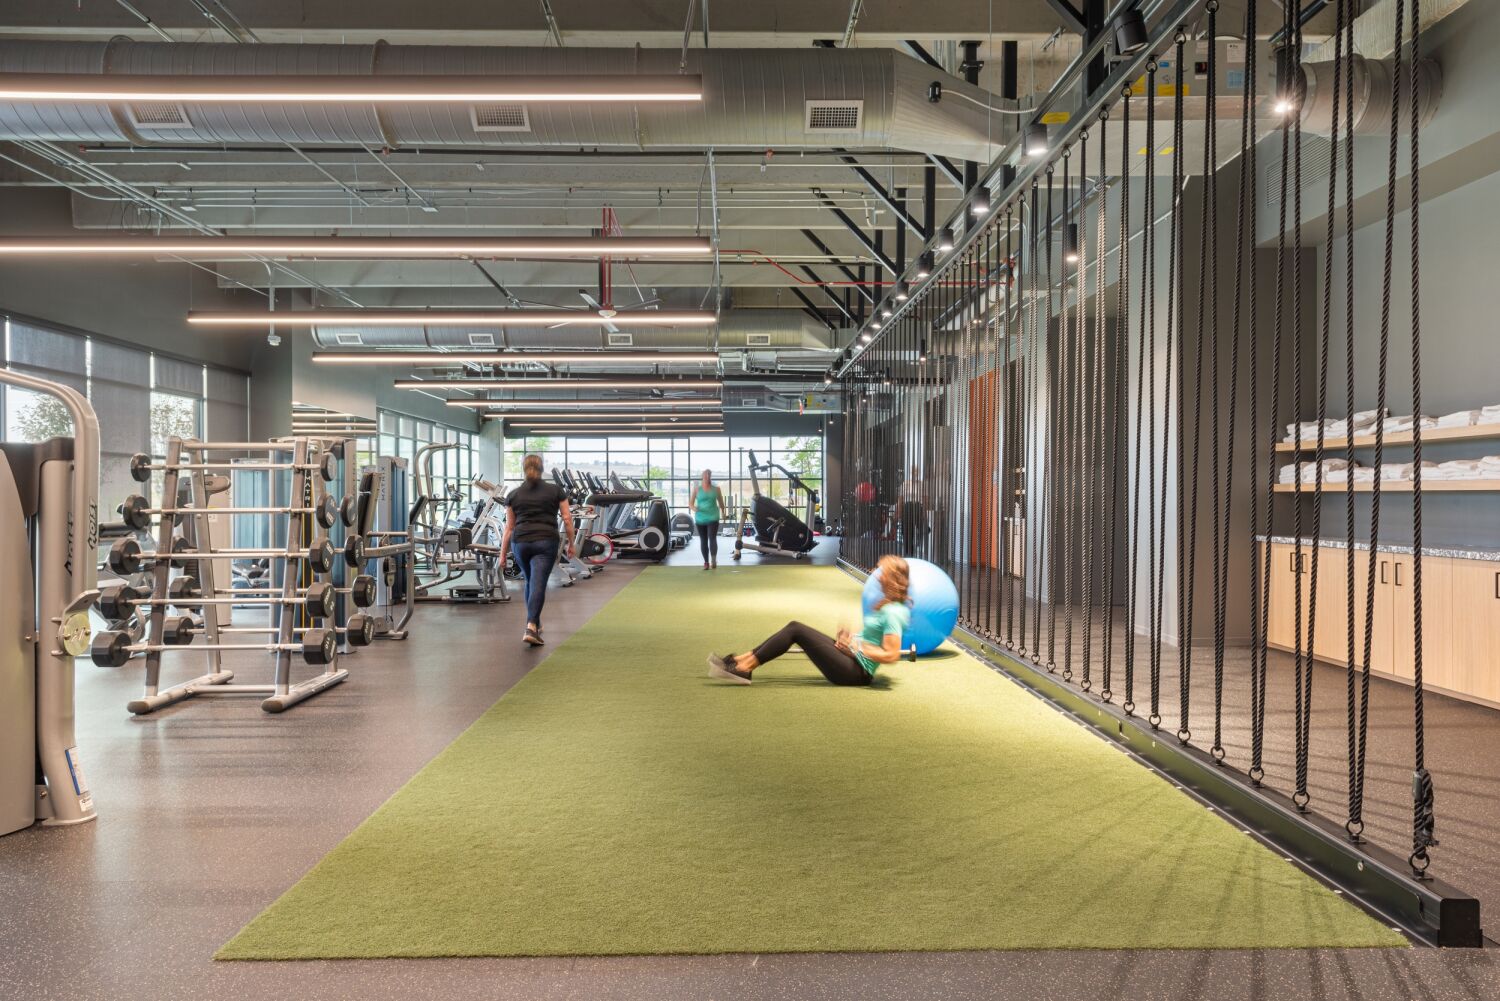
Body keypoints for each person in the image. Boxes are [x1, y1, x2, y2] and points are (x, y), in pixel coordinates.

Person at [706, 554, 912, 686]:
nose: (876, 574)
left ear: (891, 578)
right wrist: (851, 640)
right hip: (852, 658)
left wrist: (858, 648)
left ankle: (744, 668)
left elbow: (891, 654)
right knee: (793, 627)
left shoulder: (894, 612)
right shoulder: (888, 605)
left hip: (856, 673)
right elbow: (871, 641)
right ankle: (739, 661)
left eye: (881, 571)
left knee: (795, 629)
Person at [499, 454, 575, 647]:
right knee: (538, 583)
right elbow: (567, 519)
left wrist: (502, 554)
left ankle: (534, 623)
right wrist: (571, 544)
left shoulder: (513, 495)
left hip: (521, 543)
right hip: (545, 542)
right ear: (542, 469)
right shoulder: (555, 491)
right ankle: (531, 626)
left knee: (530, 581)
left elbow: (509, 527)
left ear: (523, 469)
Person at [691, 468, 729, 569]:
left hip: (713, 517)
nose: (707, 476)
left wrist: (723, 514)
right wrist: (694, 508)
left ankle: (713, 559)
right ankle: (706, 562)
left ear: (710, 477)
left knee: (712, 538)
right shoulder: (697, 489)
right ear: (702, 476)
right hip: (700, 518)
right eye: (705, 475)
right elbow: (690, 504)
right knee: (703, 540)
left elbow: (721, 503)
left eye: (709, 475)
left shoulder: (716, 489)